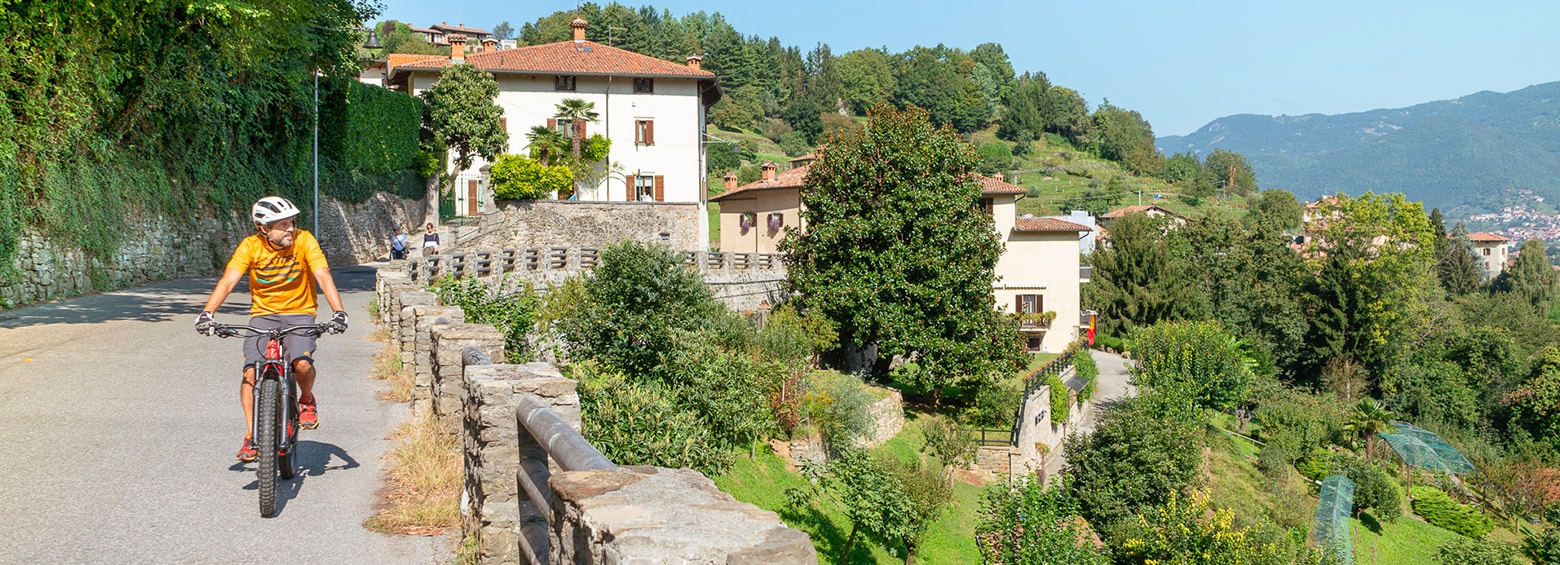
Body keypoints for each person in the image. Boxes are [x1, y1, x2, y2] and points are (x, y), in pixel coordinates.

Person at [195, 196, 349, 462]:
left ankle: (306, 399)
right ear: (263, 228)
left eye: (291, 222)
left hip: (300, 313)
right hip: (263, 315)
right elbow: (229, 280)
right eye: (283, 225)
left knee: (301, 364)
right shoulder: (250, 246)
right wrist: (207, 313)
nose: (290, 229)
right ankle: (252, 436)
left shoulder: (304, 240)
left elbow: (322, 275)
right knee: (250, 373)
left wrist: (339, 312)